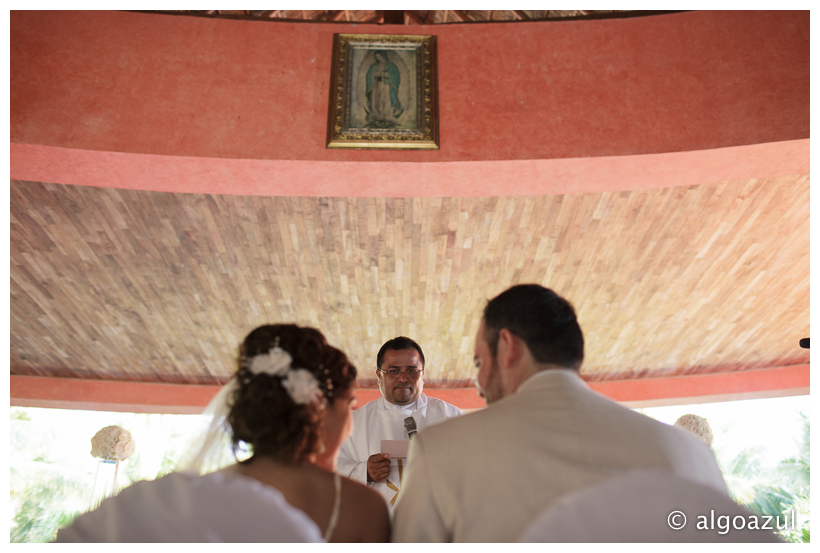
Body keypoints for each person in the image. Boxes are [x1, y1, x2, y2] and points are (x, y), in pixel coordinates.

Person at [393, 284, 729, 542]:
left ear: (508, 348)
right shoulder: (689, 455)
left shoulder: (441, 450)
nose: (479, 382)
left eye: (480, 362)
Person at [57, 324, 390, 542]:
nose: (351, 425)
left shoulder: (180, 499)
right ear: (319, 408)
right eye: (350, 405)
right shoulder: (365, 507)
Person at [336, 336, 463, 507]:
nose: (403, 378)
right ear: (378, 375)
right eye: (393, 371)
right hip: (378, 524)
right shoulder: (353, 423)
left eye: (412, 370)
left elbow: (475, 465)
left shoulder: (452, 417)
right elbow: (330, 468)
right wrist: (364, 471)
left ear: (422, 374)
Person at [365, 50, 403, 128]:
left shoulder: (391, 66)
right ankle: (376, 114)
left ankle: (387, 115)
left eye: (379, 56)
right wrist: (373, 75)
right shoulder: (374, 66)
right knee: (376, 100)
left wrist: (386, 75)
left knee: (386, 99)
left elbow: (396, 76)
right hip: (376, 85)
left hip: (387, 85)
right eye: (377, 57)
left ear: (383, 56)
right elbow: (369, 75)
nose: (378, 58)